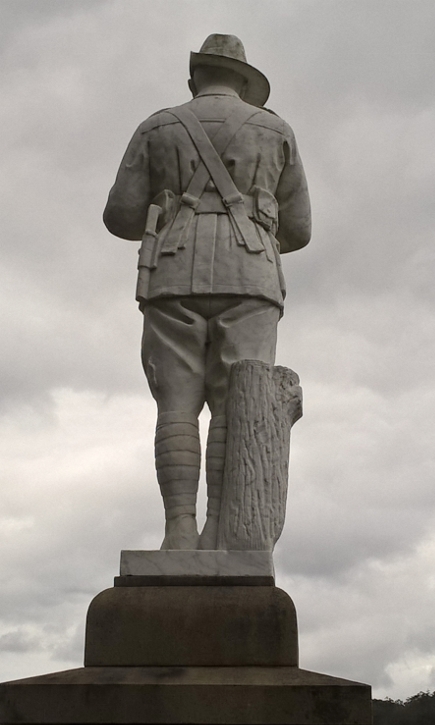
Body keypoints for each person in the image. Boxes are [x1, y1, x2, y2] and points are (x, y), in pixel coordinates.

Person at [103, 34, 311, 550]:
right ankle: (220, 530)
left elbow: (120, 216)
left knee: (175, 406)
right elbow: (300, 229)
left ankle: (177, 531)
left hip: (173, 270)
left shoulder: (158, 126)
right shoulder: (275, 129)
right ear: (244, 81)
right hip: (251, 276)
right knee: (236, 405)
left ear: (197, 78)